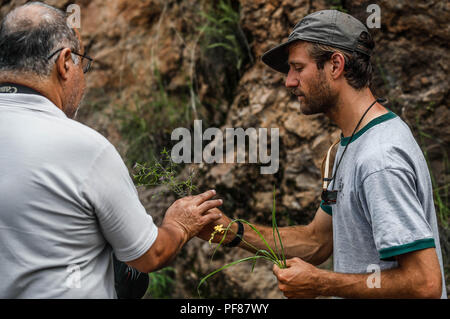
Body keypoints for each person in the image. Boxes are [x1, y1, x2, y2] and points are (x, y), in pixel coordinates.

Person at [199, 10, 447, 298]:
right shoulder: (347, 146)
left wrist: (321, 283)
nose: (289, 81)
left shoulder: (379, 159)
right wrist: (232, 232)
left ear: (335, 65)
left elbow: (425, 283)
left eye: (297, 68)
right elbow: (318, 240)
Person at [0, 2, 222, 298]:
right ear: (65, 62)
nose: (83, 75)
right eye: (82, 61)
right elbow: (149, 255)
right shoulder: (84, 148)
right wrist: (179, 225)